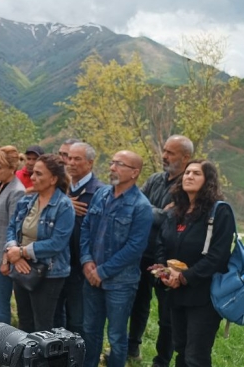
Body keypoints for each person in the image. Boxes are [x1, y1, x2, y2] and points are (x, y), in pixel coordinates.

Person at [80, 150, 153, 367]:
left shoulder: (141, 206)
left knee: (117, 337)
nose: (112, 167)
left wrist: (102, 272)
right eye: (112, 162)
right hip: (91, 276)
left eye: (119, 164)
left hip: (120, 283)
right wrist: (86, 260)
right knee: (90, 330)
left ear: (134, 173)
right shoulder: (101, 195)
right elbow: (86, 227)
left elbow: (135, 247)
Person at [156, 160, 232, 367]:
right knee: (180, 349)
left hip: (203, 295)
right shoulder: (174, 212)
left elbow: (218, 256)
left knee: (195, 356)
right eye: (187, 172)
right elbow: (161, 244)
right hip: (175, 292)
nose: (189, 176)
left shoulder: (219, 213)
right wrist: (164, 273)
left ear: (208, 180)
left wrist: (184, 277)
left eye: (196, 173)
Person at [128, 135, 192, 365]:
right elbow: (137, 206)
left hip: (168, 258)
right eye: (164, 151)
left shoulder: (188, 185)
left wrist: (150, 211)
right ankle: (132, 347)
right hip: (144, 252)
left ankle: (162, 360)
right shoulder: (155, 179)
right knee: (138, 303)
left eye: (171, 153)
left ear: (186, 157)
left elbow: (171, 217)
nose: (164, 156)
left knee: (167, 315)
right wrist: (156, 212)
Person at [4, 154, 75, 332]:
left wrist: (21, 252)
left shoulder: (63, 206)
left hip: (49, 273)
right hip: (21, 268)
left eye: (38, 174)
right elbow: (12, 227)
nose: (33, 177)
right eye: (33, 173)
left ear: (53, 179)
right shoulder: (27, 201)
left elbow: (57, 243)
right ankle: (24, 358)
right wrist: (13, 250)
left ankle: (41, 360)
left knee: (42, 326)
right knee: (24, 320)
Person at [54, 142, 104, 335]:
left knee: (78, 320)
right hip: (58, 263)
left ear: (90, 163)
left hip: (81, 266)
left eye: (77, 159)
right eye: (69, 158)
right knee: (57, 316)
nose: (71, 163)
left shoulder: (99, 192)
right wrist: (64, 203)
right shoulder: (61, 189)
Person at [0, 146, 26, 324]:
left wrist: (5, 260)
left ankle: (2, 345)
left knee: (1, 304)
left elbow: (14, 228)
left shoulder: (17, 191)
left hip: (2, 255)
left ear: (12, 169)